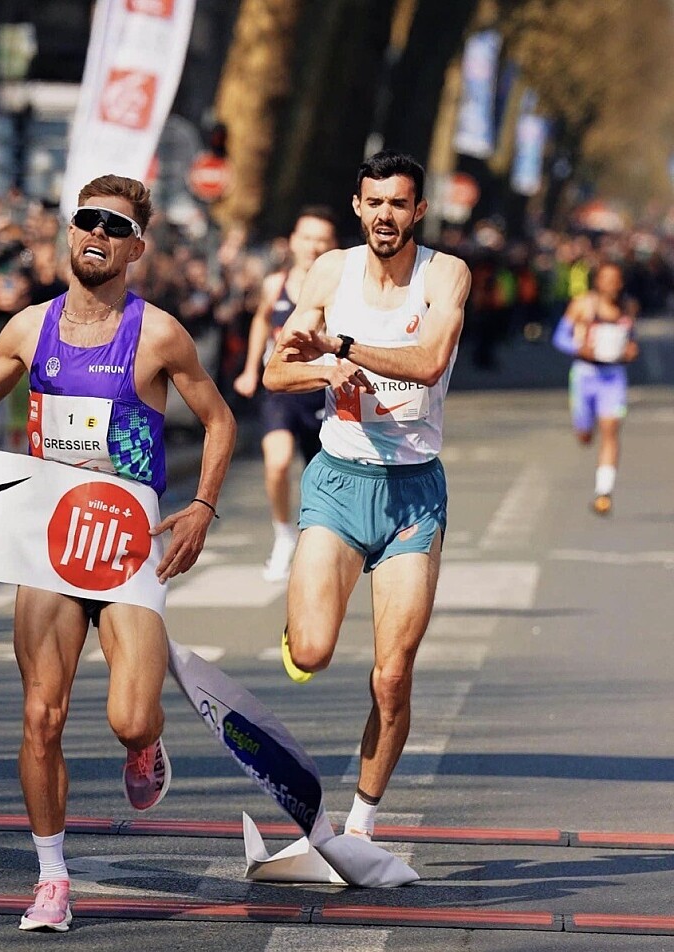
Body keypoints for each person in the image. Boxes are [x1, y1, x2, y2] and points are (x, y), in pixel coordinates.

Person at [0, 174, 236, 932]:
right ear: (70, 233)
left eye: (115, 225)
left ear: (136, 247)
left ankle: (146, 745)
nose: (98, 233)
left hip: (127, 542)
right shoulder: (28, 329)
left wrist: (201, 507)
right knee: (41, 715)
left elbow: (220, 420)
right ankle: (52, 878)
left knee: (130, 718)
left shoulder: (159, 334)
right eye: (87, 220)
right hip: (50, 540)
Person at [262, 151, 470, 842]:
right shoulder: (330, 272)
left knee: (392, 675)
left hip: (413, 493)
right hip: (339, 482)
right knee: (313, 652)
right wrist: (323, 370)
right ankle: (302, 628)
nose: (385, 215)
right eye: (374, 203)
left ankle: (360, 826)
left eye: (398, 204)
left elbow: (430, 361)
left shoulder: (445, 274)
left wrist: (344, 347)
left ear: (419, 211)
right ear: (358, 207)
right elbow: (275, 371)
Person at [233, 207, 337, 581]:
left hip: (323, 392)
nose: (313, 246)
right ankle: (282, 535)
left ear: (332, 245)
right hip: (280, 390)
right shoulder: (274, 284)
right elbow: (262, 320)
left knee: (320, 480)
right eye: (307, 238)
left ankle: (319, 548)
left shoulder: (338, 288)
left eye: (321, 240)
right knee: (277, 462)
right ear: (293, 241)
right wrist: (250, 370)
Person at [551, 260, 639, 514]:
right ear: (598, 281)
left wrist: (631, 351)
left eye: (616, 280)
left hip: (613, 377)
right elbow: (559, 337)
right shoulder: (583, 305)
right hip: (585, 375)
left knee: (611, 430)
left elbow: (631, 340)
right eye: (606, 279)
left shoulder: (628, 308)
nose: (611, 284)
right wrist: (579, 348)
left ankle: (604, 493)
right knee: (585, 435)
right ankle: (584, 429)